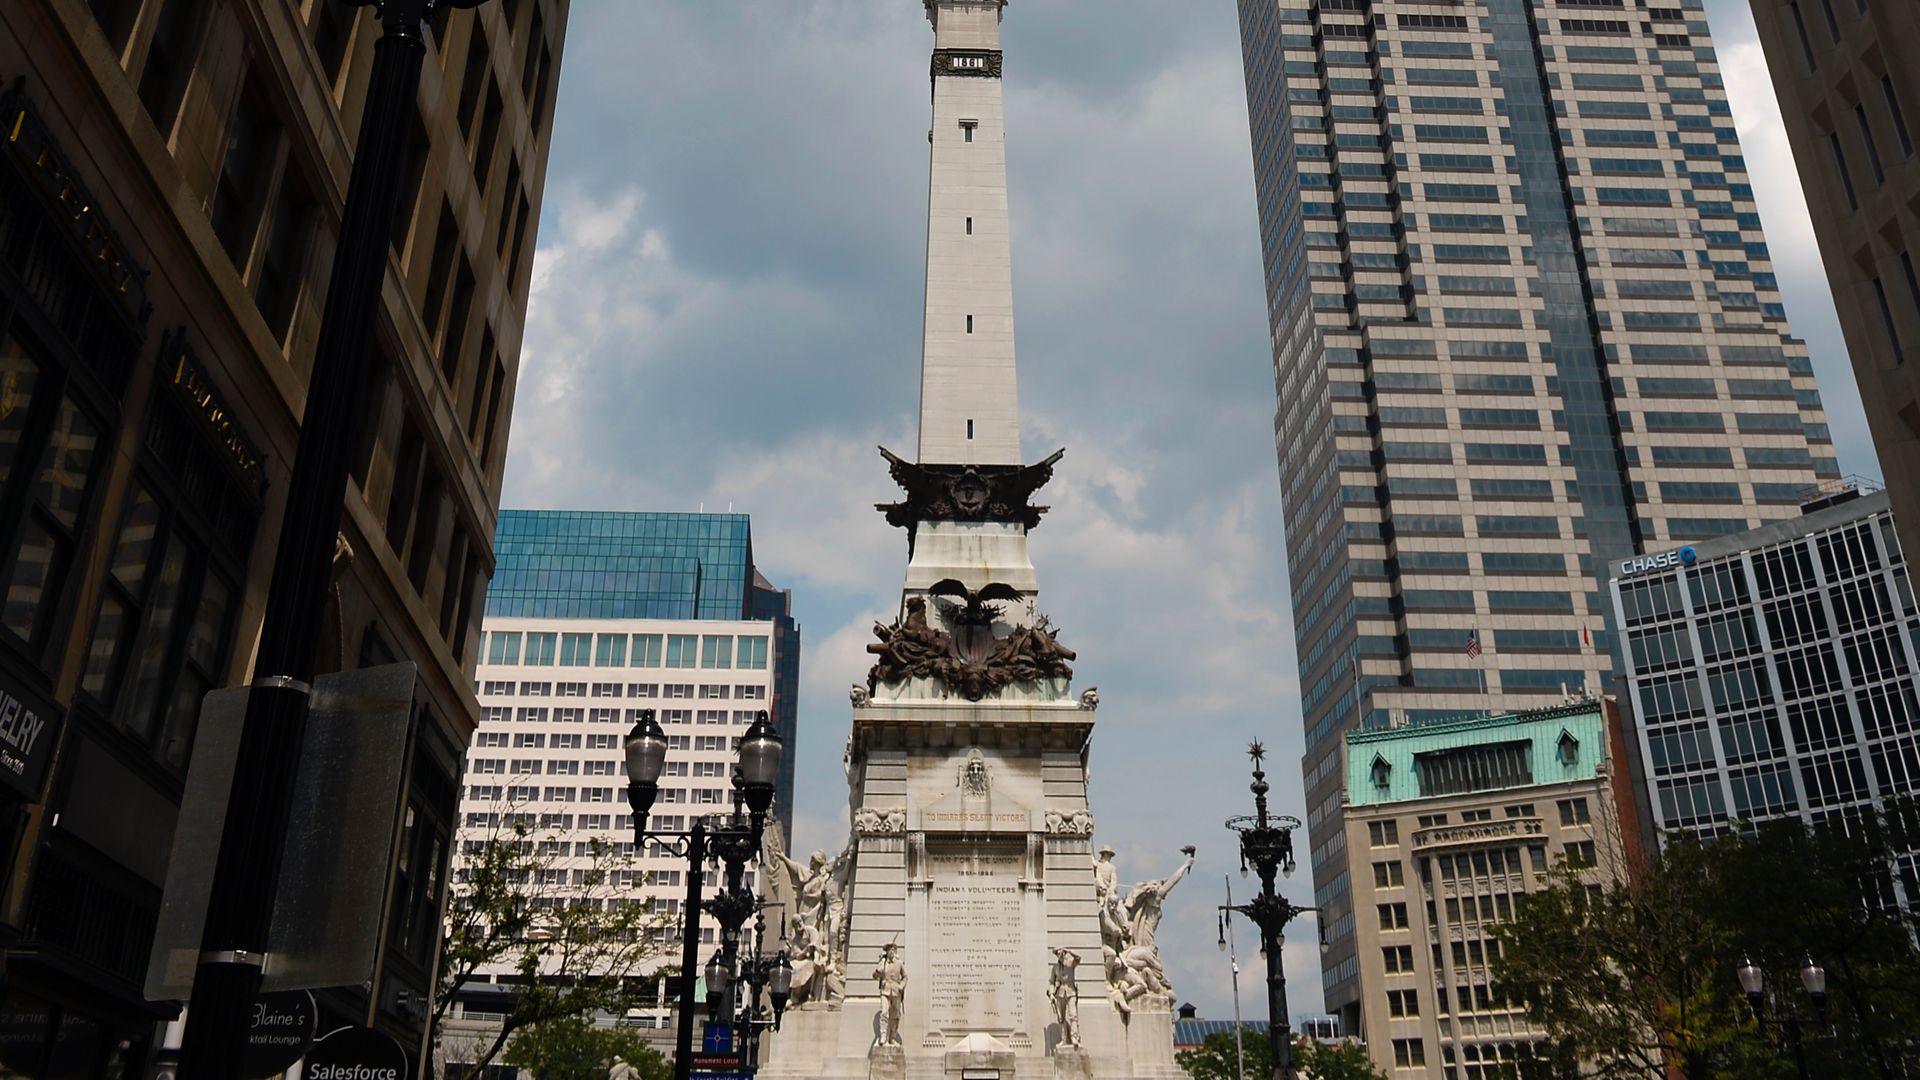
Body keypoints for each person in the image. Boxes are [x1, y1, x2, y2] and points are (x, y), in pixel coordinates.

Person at [1125, 845, 1195, 951]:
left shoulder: (1147, 901)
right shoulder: (1156, 897)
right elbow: (1173, 881)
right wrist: (1185, 866)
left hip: (1145, 933)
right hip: (1146, 935)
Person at [873, 941, 907, 1046]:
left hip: (896, 991)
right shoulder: (883, 962)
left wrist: (902, 985)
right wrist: (877, 972)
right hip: (885, 990)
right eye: (889, 950)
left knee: (896, 1015)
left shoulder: (899, 963)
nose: (891, 952)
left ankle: (893, 1036)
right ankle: (883, 1036)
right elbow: (875, 975)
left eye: (893, 950)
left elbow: (905, 976)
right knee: (884, 1013)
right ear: (887, 952)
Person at [1050, 948, 1082, 1047]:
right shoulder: (1055, 968)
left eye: (1061, 953)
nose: (1060, 955)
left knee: (1073, 1015)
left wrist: (1069, 950)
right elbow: (1051, 981)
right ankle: (1064, 1039)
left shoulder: (1071, 963)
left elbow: (1079, 957)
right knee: (1061, 1017)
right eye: (1058, 953)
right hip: (1059, 993)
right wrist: (1051, 993)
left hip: (1071, 991)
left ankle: (1074, 1037)